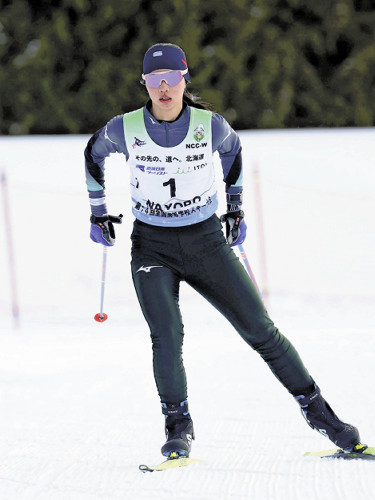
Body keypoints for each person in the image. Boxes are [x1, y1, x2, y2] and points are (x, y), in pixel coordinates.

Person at [85, 42, 363, 458]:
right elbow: (93, 154)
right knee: (167, 335)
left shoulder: (209, 125)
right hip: (152, 247)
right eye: (155, 80)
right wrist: (98, 213)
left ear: (185, 80)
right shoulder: (124, 128)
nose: (165, 88)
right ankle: (178, 427)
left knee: (261, 330)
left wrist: (235, 209)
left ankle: (323, 416)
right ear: (144, 83)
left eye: (173, 79)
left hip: (205, 242)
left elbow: (232, 153)